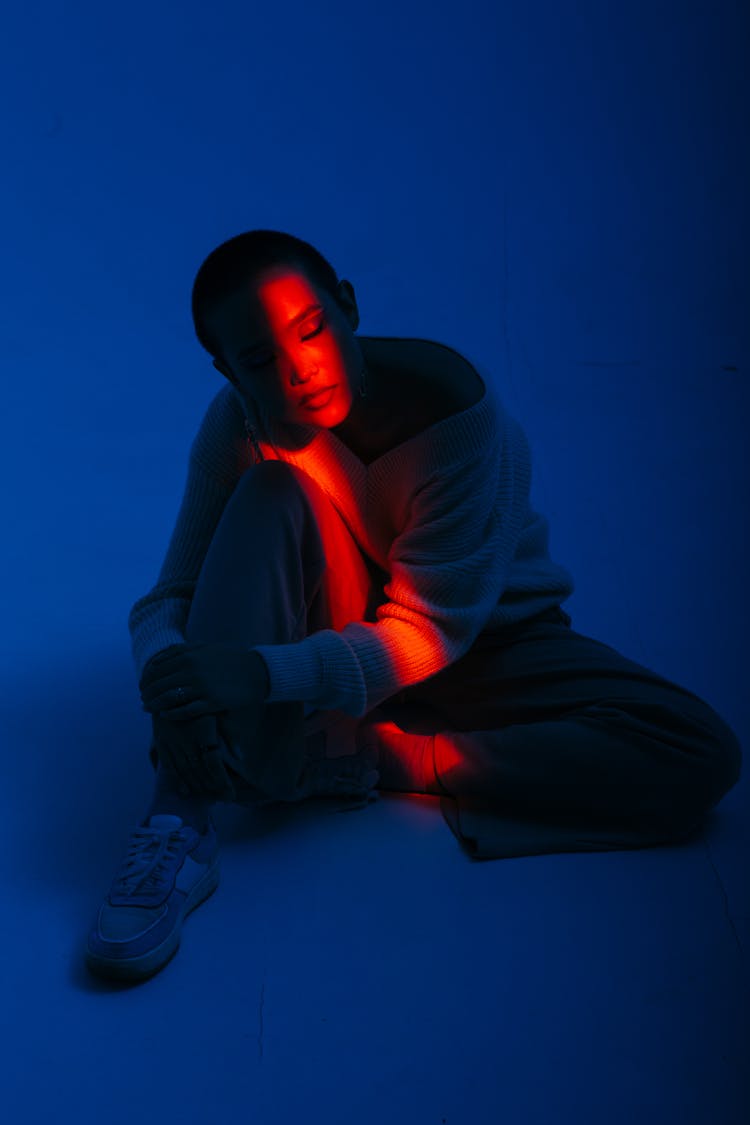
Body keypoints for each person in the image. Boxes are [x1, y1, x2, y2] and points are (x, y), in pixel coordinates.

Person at [85, 229, 742, 981]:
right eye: (260, 360)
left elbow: (429, 635)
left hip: (485, 636)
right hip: (332, 627)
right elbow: (167, 597)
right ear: (227, 370)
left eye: (311, 329)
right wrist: (181, 682)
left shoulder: (454, 415)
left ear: (348, 305)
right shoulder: (239, 419)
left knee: (698, 751)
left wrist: (257, 676)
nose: (299, 372)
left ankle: (373, 754)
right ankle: (179, 817)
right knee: (268, 492)